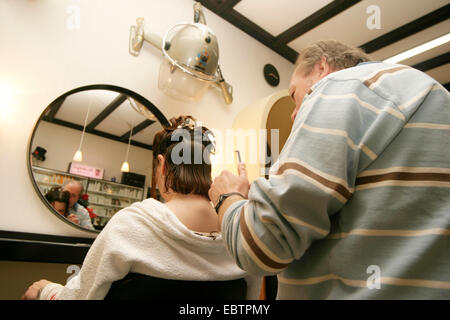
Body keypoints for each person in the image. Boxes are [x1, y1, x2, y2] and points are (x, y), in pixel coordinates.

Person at [209, 40, 450, 299]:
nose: (293, 114)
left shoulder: (338, 87)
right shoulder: (435, 95)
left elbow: (264, 246)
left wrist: (228, 198)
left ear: (321, 67)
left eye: (293, 95)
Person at [21, 115, 260, 300]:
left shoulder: (132, 224)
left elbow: (81, 296)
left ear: (162, 165)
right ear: (207, 170)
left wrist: (46, 290)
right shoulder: (240, 232)